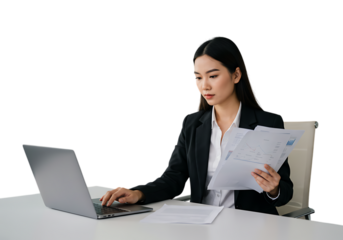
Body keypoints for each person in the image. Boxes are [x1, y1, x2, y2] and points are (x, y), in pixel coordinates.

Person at [100, 35, 293, 215]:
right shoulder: (192, 124)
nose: (204, 86)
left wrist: (274, 189)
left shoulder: (268, 123)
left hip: (249, 225)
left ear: (236, 75)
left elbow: (285, 192)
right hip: (202, 223)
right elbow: (174, 177)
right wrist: (137, 193)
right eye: (198, 77)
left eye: (213, 76)